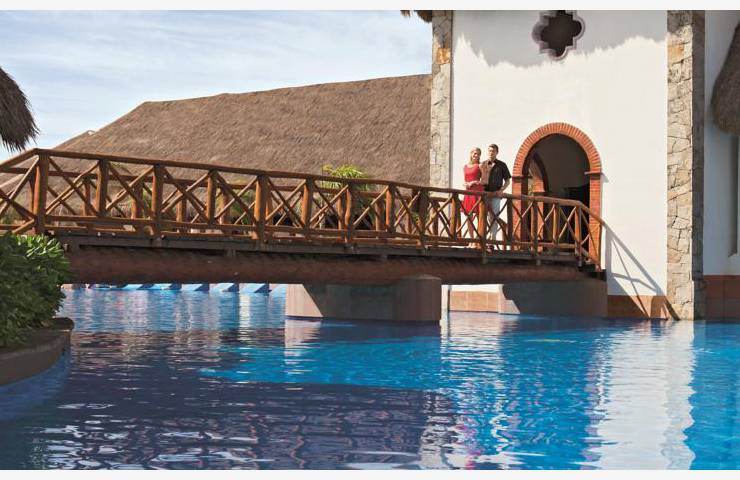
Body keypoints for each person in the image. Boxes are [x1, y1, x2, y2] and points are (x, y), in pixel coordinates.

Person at [482, 144, 511, 242]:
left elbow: (507, 181)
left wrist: (501, 190)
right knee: (483, 215)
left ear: (497, 152)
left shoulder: (502, 165)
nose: (491, 153)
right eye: (489, 151)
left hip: (496, 194)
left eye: (493, 151)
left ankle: (492, 237)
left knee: (494, 215)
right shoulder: (483, 164)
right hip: (484, 194)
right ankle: (483, 236)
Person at [462, 147, 484, 215]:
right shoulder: (465, 166)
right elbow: (464, 179)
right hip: (468, 192)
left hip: (477, 192)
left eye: (478, 154)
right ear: (471, 154)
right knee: (468, 215)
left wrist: (473, 182)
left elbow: (484, 180)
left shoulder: (480, 165)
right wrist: (465, 184)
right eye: (475, 153)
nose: (476, 155)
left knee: (479, 214)